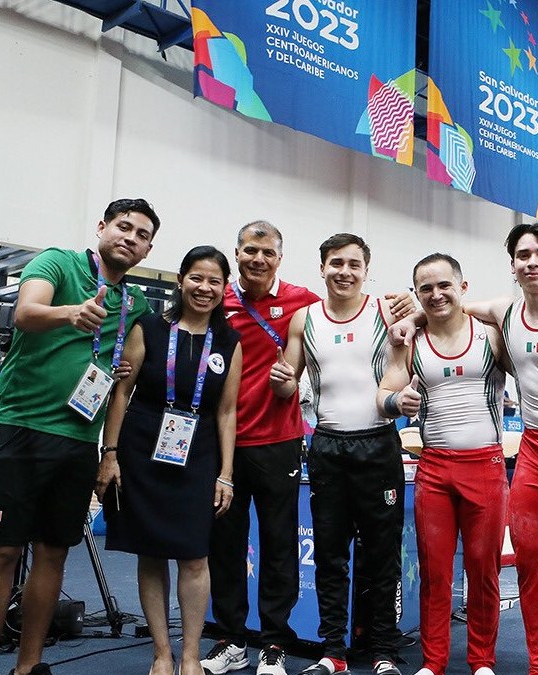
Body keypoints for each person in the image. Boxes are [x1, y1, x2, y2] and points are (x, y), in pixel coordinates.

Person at [392, 222, 538, 674]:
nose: (532, 261)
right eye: (522, 255)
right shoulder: (503, 311)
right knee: (532, 565)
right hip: (535, 450)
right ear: (513, 266)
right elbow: (446, 307)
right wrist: (411, 317)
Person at [0, 198, 160, 675]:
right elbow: (26, 313)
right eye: (123, 226)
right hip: (18, 428)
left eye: (141, 235)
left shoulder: (134, 304)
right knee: (1, 551)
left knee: (54, 552)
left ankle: (29, 666)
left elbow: (126, 380)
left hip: (79, 441)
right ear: (102, 227)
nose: (130, 238)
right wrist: (71, 313)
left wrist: (110, 448)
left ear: (147, 249)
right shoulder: (58, 262)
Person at [95, 246, 242, 675]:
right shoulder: (149, 327)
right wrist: (111, 454)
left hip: (197, 454)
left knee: (195, 556)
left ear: (223, 288)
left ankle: (192, 654)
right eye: (197, 277)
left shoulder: (229, 341)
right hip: (142, 450)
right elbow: (121, 392)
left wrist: (227, 474)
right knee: (150, 553)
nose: (205, 288)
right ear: (181, 280)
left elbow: (227, 411)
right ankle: (162, 652)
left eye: (215, 281)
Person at [268, 233, 407, 675]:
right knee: (331, 555)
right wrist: (279, 380)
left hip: (378, 443)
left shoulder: (385, 310)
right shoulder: (303, 319)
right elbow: (289, 384)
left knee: (382, 555)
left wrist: (412, 302)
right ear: (322, 267)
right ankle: (334, 652)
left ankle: (384, 648)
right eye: (335, 263)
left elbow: (434, 316)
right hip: (328, 446)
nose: (344, 271)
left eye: (353, 264)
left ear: (366, 270)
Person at [377, 253, 508, 675]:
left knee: (483, 568)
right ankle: (433, 662)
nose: (436, 295)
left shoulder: (491, 336)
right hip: (434, 469)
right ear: (417, 294)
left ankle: (482, 660)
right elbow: (383, 395)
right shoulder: (408, 342)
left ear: (462, 288)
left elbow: (533, 355)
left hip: (484, 467)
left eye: (444, 285)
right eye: (426, 289)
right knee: (435, 571)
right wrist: (398, 401)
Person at [201, 221, 319, 675]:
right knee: (225, 545)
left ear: (279, 259)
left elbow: (353, 311)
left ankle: (274, 642)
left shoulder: (302, 300)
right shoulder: (218, 300)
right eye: (250, 250)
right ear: (237, 252)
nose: (258, 259)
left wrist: (404, 304)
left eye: (267, 252)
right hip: (223, 446)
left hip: (278, 443)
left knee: (278, 544)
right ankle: (230, 639)